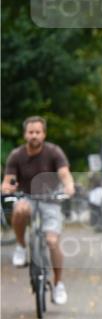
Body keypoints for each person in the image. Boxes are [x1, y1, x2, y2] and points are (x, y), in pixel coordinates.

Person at [2, 116, 76, 304]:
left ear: (44, 134)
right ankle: (20, 246)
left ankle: (58, 284)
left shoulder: (54, 152)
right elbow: (8, 181)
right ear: (25, 134)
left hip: (50, 199)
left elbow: (64, 174)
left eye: (38, 132)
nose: (34, 135)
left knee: (52, 241)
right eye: (31, 132)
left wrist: (69, 187)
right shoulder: (17, 155)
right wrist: (7, 188)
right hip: (27, 197)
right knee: (20, 209)